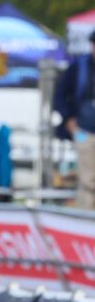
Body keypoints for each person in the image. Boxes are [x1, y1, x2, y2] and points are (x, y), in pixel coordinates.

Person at [53, 30, 95, 210]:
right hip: (84, 131)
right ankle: (86, 222)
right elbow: (59, 95)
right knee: (88, 180)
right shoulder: (79, 66)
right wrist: (69, 119)